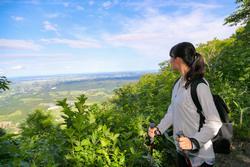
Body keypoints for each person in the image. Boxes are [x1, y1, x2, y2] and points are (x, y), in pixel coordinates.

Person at [148, 42, 222, 167]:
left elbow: (214, 122)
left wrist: (193, 142)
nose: (170, 61)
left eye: (171, 57)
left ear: (178, 59)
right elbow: (172, 111)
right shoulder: (178, 84)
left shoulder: (199, 86)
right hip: (182, 152)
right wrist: (158, 130)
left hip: (200, 157)